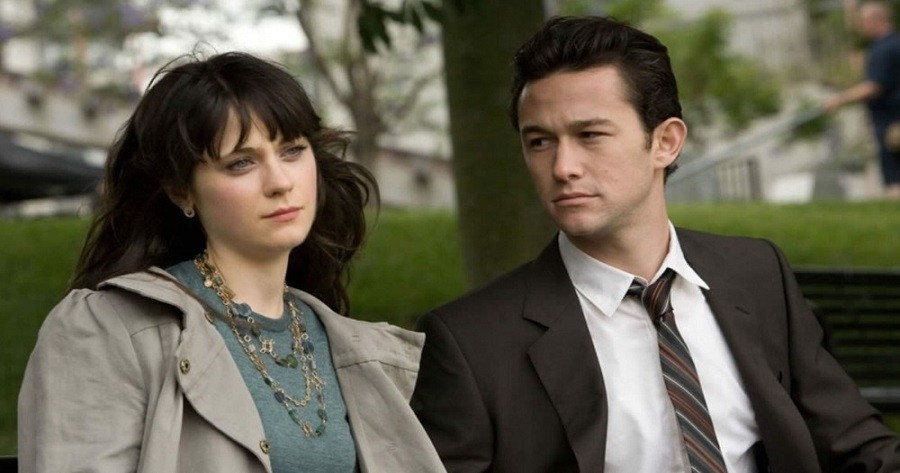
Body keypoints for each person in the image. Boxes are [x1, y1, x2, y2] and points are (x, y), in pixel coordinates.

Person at [411, 16, 900, 473]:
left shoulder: (756, 272)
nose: (563, 167)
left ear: (665, 142)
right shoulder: (471, 343)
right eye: (539, 141)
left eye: (590, 135)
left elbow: (856, 448)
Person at [18, 52, 445, 473]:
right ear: (182, 191)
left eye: (293, 150)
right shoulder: (108, 330)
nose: (280, 182)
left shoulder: (344, 342)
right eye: (241, 163)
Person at [824, 0, 900, 199]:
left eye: (863, 21)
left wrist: (839, 100)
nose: (861, 27)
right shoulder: (894, 44)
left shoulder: (883, 49)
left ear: (877, 20)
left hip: (891, 122)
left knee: (894, 179)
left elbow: (873, 87)